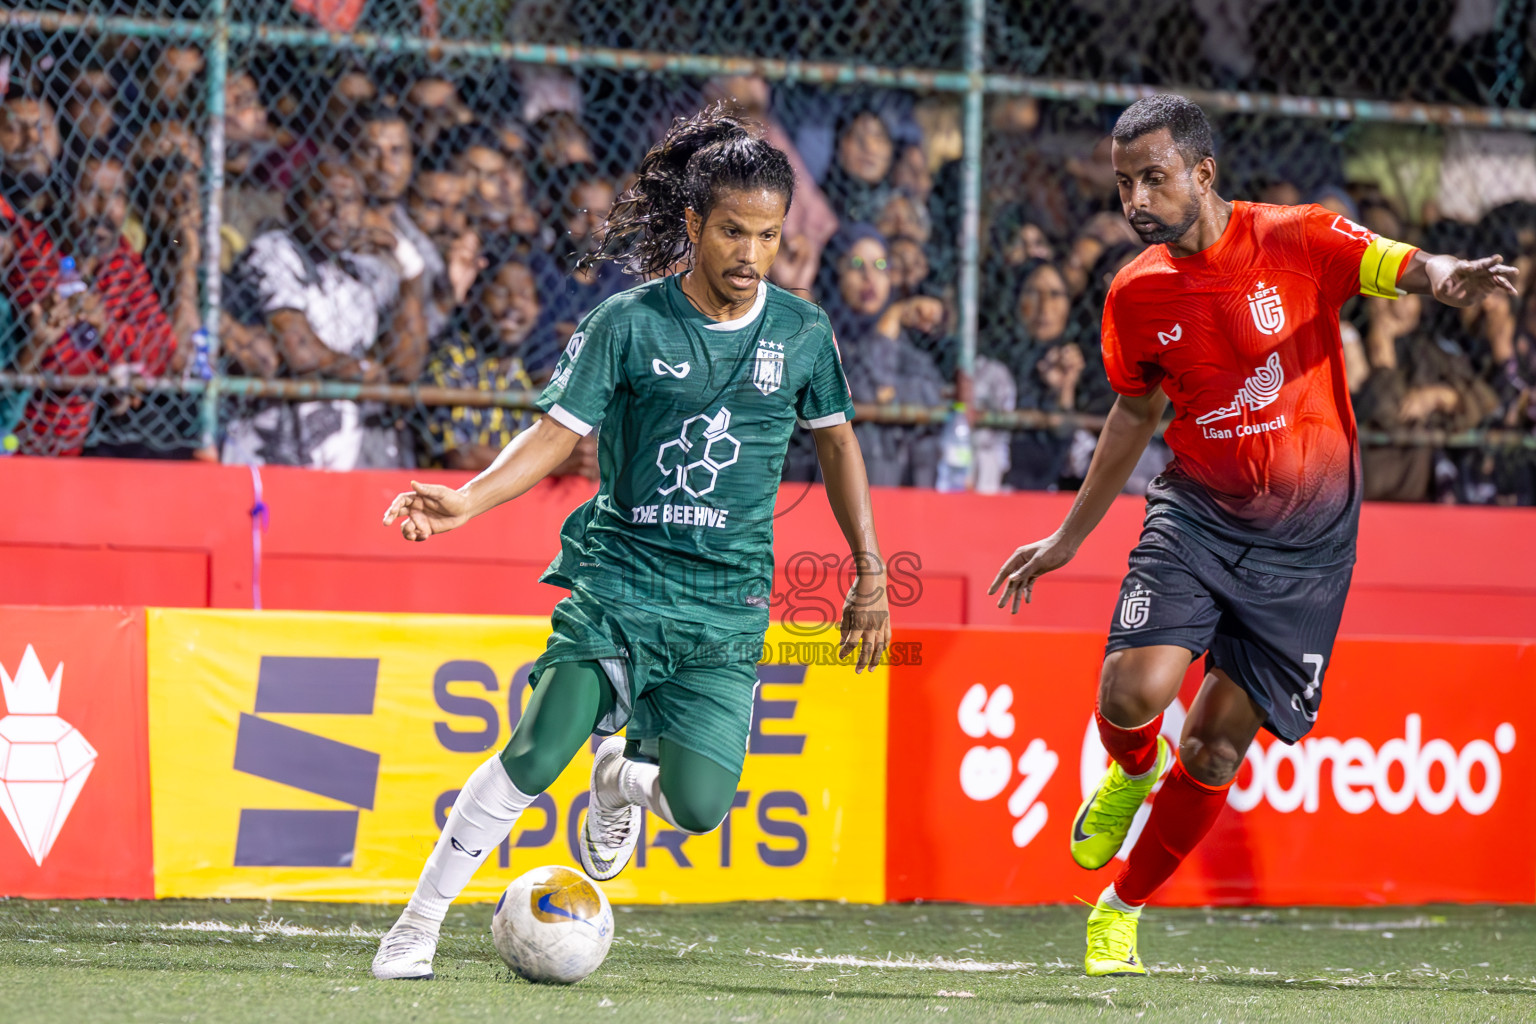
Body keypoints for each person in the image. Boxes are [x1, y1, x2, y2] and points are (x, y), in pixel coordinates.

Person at [988, 95, 1518, 978]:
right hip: (1196, 516)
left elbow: (1398, 261)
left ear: (1203, 173)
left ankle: (1118, 911)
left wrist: (1444, 272)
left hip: (1307, 546)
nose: (1135, 199)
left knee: (1213, 748)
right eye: (1124, 182)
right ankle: (1126, 771)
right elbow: (1132, 413)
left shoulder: (1298, 238)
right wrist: (1068, 537)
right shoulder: (1137, 292)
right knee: (1131, 694)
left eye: (1153, 177)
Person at [370, 105, 889, 981]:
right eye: (732, 231)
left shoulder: (802, 333)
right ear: (694, 225)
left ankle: (619, 783)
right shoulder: (627, 322)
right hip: (622, 581)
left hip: (725, 607)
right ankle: (416, 926)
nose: (750, 256)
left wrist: (868, 574)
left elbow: (838, 444)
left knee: (698, 807)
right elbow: (550, 434)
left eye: (768, 235)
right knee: (537, 749)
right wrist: (464, 502)